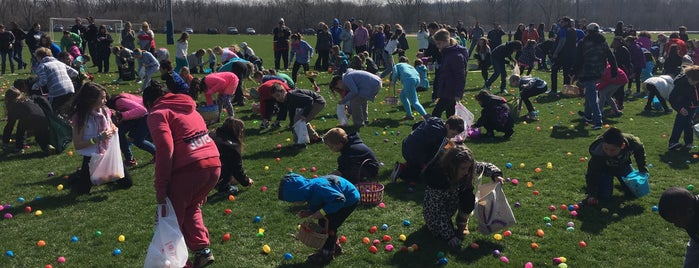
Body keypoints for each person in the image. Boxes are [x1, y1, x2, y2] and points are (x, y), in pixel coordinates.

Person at [142, 80, 220, 268]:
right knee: (191, 207)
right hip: (213, 164)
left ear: (149, 103)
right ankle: (202, 251)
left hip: (190, 169)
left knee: (169, 220)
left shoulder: (158, 113)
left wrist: (161, 185)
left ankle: (177, 263)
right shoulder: (189, 107)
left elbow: (164, 149)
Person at [422, 145, 505, 249]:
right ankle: (447, 228)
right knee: (438, 231)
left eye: (469, 168)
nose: (466, 171)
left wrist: (496, 174)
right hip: (434, 212)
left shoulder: (466, 169)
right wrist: (450, 236)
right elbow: (437, 211)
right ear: (452, 166)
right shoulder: (438, 181)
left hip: (452, 202)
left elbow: (484, 166)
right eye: (463, 168)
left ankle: (462, 221)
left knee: (469, 199)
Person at [277, 173, 359, 264]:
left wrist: (322, 212)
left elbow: (339, 200)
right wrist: (310, 211)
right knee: (324, 223)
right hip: (334, 200)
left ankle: (327, 253)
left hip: (348, 201)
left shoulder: (320, 188)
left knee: (329, 226)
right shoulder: (309, 190)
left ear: (299, 193)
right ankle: (334, 246)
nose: (295, 203)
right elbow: (316, 201)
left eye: (294, 200)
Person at [68, 82, 133, 195]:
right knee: (82, 191)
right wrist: (97, 139)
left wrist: (113, 129)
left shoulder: (105, 111)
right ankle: (79, 175)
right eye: (102, 98)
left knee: (127, 183)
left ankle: (102, 174)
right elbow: (78, 144)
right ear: (91, 100)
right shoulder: (81, 117)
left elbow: (111, 125)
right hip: (91, 156)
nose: (105, 100)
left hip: (108, 153)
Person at [390, 115, 465, 183]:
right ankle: (402, 171)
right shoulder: (440, 136)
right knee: (424, 176)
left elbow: (416, 125)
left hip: (406, 145)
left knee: (419, 160)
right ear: (448, 126)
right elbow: (434, 154)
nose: (452, 137)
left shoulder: (435, 120)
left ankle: (408, 164)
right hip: (414, 154)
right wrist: (426, 166)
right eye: (452, 134)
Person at [573, 23, 618, 130]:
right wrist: (614, 70)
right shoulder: (603, 42)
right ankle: (587, 115)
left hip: (587, 72)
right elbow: (611, 57)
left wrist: (574, 72)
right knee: (590, 92)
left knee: (593, 97)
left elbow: (578, 59)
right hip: (599, 72)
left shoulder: (583, 42)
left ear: (588, 31)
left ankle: (598, 120)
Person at [584, 127, 647, 203]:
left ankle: (623, 184)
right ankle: (606, 183)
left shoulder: (633, 142)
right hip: (605, 170)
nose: (608, 153)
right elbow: (592, 174)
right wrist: (592, 195)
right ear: (602, 144)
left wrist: (642, 169)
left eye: (612, 150)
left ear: (622, 146)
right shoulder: (598, 153)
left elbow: (639, 150)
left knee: (634, 192)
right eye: (606, 148)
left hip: (623, 165)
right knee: (604, 196)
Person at [106, 93, 155, 167]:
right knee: (119, 132)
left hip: (146, 116)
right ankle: (130, 159)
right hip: (137, 117)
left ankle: (159, 154)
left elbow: (142, 110)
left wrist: (121, 115)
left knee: (138, 141)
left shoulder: (119, 101)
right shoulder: (112, 104)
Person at [210, 117, 253, 196]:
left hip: (197, 165)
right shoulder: (232, 146)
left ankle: (218, 183)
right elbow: (237, 168)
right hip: (212, 169)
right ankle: (224, 187)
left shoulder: (213, 133)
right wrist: (246, 181)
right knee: (228, 165)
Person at [657, 187, 699, 268]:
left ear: (689, 212)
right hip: (696, 237)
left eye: (676, 222)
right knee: (691, 259)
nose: (676, 225)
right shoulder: (689, 212)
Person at [2, 88, 52, 154]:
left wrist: (5, 142)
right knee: (41, 137)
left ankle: (19, 148)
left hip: (31, 119)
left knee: (21, 128)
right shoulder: (28, 99)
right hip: (43, 118)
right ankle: (47, 146)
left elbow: (10, 125)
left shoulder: (15, 106)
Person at [32, 47, 78, 115]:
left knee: (51, 112)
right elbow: (75, 73)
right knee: (67, 111)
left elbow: (43, 81)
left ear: (39, 57)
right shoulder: (60, 63)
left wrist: (35, 86)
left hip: (57, 92)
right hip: (70, 89)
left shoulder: (42, 66)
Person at [668, 66, 699, 150]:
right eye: (692, 81)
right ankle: (673, 142)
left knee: (689, 123)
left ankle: (688, 142)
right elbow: (672, 98)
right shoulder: (680, 83)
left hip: (694, 106)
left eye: (696, 81)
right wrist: (680, 108)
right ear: (688, 77)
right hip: (683, 105)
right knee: (680, 122)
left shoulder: (696, 81)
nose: (694, 83)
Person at [391, 56, 427, 120]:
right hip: (417, 80)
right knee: (402, 96)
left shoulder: (397, 65)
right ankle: (409, 115)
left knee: (414, 102)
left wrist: (393, 82)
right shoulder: (409, 65)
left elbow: (395, 73)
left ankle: (427, 117)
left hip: (409, 81)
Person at [549, 17, 577, 97]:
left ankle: (554, 90)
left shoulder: (563, 30)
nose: (560, 23)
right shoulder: (573, 31)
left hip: (562, 55)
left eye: (561, 22)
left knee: (554, 70)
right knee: (566, 73)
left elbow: (562, 42)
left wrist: (556, 53)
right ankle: (566, 91)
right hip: (571, 55)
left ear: (566, 23)